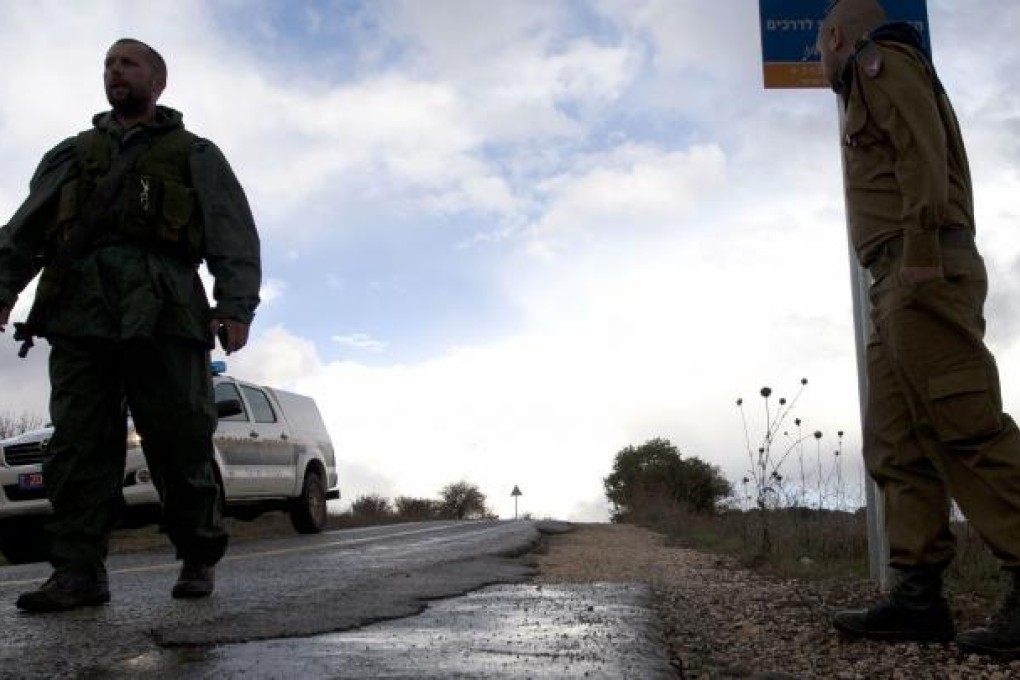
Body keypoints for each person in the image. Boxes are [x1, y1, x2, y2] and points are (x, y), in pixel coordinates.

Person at [0, 38, 261, 612]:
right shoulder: (72, 154)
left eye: (128, 63)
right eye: (108, 65)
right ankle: (77, 572)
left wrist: (235, 304)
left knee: (179, 440)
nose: (115, 72)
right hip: (80, 311)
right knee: (76, 447)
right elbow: (26, 227)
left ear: (158, 81)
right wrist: (4, 289)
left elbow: (231, 230)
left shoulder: (195, 153)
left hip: (164, 309)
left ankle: (197, 553)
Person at [817, 0, 1020, 657]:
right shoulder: (863, 84)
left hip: (918, 265)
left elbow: (920, 149)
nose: (817, 62)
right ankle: (918, 597)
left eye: (818, 49)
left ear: (837, 36)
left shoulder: (883, 64)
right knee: (896, 442)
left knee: (964, 423)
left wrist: (924, 248)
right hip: (892, 276)